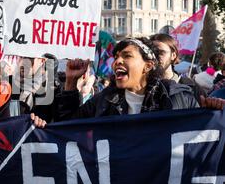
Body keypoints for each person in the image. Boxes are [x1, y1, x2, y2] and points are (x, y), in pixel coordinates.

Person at [44, 37, 224, 123]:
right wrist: (70, 82)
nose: (117, 61)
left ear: (148, 66)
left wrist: (213, 112)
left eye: (127, 56)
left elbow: (201, 139)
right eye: (116, 57)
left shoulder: (177, 98)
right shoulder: (104, 101)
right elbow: (67, 126)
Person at [150, 33, 206, 102]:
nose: (155, 57)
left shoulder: (191, 88)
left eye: (161, 53)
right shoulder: (142, 87)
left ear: (173, 55)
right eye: (152, 53)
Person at [10, 53, 62, 122]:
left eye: (29, 57)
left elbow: (62, 119)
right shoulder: (7, 83)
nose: (23, 61)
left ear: (42, 61)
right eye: (21, 56)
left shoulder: (53, 90)